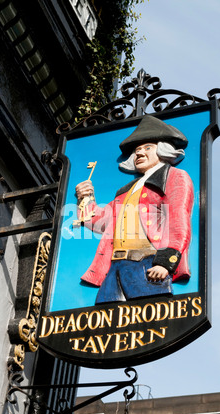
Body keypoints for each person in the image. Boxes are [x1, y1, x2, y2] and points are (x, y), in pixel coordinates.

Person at [75, 115, 194, 304]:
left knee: (152, 321)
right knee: (106, 324)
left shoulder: (175, 177)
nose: (139, 153)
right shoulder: (127, 190)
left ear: (163, 149)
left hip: (148, 265)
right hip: (115, 268)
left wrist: (165, 263)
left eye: (147, 148)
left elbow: (178, 220)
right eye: (137, 150)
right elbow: (101, 221)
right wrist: (86, 198)